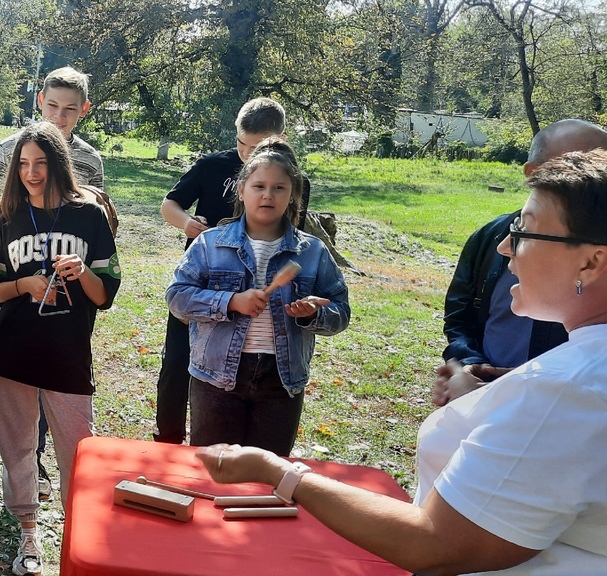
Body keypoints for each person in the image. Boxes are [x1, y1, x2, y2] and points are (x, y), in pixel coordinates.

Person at [199, 148, 607, 574]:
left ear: (592, 260)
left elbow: (436, 542)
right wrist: (496, 393)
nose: (504, 247)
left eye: (523, 232)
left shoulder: (562, 389)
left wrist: (277, 471)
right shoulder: (569, 380)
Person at [0, 66, 106, 511]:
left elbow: (94, 218)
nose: (59, 117)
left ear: (83, 111)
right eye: (52, 106)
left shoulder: (89, 161)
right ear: (39, 100)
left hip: (65, 298)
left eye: (69, 109)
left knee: (46, 381)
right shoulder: (11, 149)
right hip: (15, 282)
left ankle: (35, 465)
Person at [0, 121, 121, 576]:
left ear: (59, 164)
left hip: (68, 355)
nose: (31, 173)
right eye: (23, 164)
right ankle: (28, 533)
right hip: (17, 353)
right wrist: (22, 282)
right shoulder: (6, 216)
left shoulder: (89, 214)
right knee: (18, 447)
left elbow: (105, 294)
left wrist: (82, 271)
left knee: (77, 449)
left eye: (41, 163)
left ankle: (78, 536)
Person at [165, 137, 347, 456]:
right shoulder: (210, 244)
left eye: (279, 188)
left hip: (282, 381)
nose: (267, 195)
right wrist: (232, 302)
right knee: (213, 473)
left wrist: (313, 314)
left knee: (264, 481)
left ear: (292, 195)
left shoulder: (313, 252)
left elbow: (340, 311)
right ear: (241, 190)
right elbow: (178, 299)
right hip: (216, 378)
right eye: (259, 186)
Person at [155, 97, 311, 445]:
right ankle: (167, 441)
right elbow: (169, 204)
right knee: (178, 364)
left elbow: (294, 237)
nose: (246, 154)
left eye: (257, 147)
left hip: (257, 298)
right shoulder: (212, 165)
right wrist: (187, 224)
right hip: (202, 286)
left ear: (280, 140)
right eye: (242, 144)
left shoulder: (292, 180)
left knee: (232, 374)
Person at [433, 119, 607, 406]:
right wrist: (469, 366)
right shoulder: (490, 238)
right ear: (533, 173)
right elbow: (459, 318)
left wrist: (525, 383)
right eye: (577, 165)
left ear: (592, 262)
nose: (596, 175)